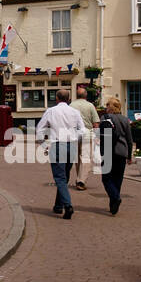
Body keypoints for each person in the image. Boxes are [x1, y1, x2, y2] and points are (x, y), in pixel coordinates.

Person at [35, 88, 85, 219]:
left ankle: (68, 206)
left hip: (57, 144)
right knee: (64, 176)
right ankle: (58, 206)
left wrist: (45, 144)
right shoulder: (75, 112)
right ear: (69, 99)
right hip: (71, 145)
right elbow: (83, 130)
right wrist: (74, 137)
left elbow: (40, 130)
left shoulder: (51, 111)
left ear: (56, 99)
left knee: (60, 178)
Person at [98, 96, 133, 215]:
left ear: (111, 107)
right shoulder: (125, 120)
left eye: (107, 105)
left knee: (106, 178)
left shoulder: (104, 118)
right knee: (118, 178)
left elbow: (101, 136)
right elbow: (129, 139)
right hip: (122, 152)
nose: (106, 107)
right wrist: (129, 155)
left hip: (108, 151)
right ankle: (113, 203)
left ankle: (115, 198)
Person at [70, 85, 101, 190]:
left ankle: (79, 178)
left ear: (76, 95)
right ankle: (81, 181)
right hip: (87, 133)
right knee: (86, 157)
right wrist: (97, 136)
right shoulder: (90, 106)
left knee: (77, 158)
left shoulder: (71, 105)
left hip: (74, 133)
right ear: (86, 95)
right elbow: (96, 122)